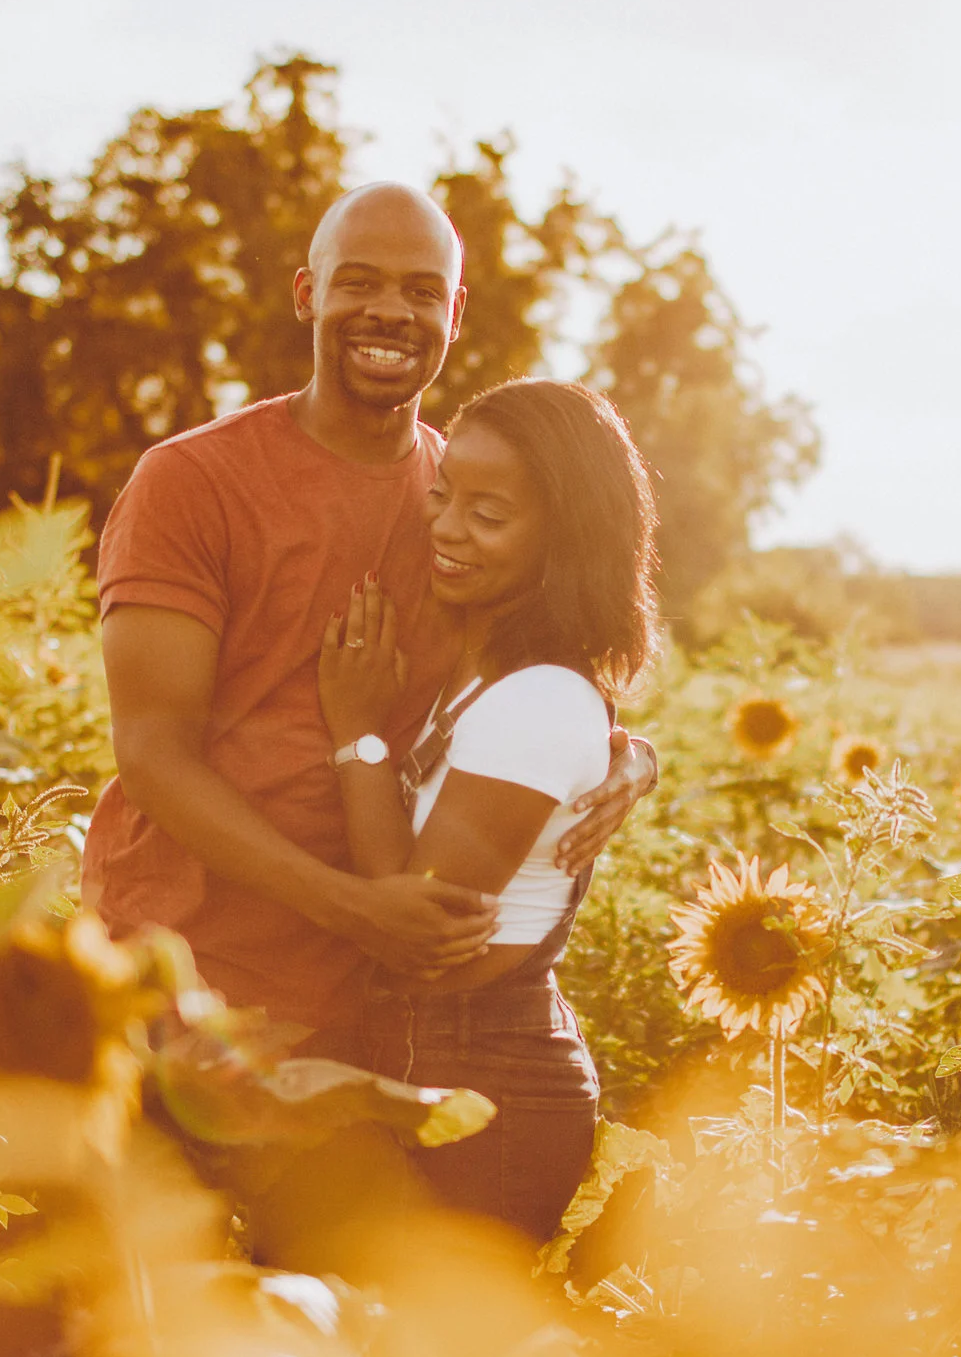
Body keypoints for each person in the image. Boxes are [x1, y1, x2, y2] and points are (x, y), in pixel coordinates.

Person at [81, 181, 655, 1060]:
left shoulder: (467, 502)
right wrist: (347, 903)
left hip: (368, 1006)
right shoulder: (190, 481)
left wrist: (625, 752)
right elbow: (154, 753)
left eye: (422, 291)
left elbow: (532, 673)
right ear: (308, 292)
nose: (390, 311)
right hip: (179, 983)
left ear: (456, 313)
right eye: (359, 282)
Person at [314, 378, 658, 1241]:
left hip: (489, 1092)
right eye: (443, 496)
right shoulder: (490, 676)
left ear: (566, 540)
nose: (447, 527)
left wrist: (356, 732)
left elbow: (413, 923)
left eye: (489, 514)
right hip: (445, 1071)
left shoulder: (535, 698)